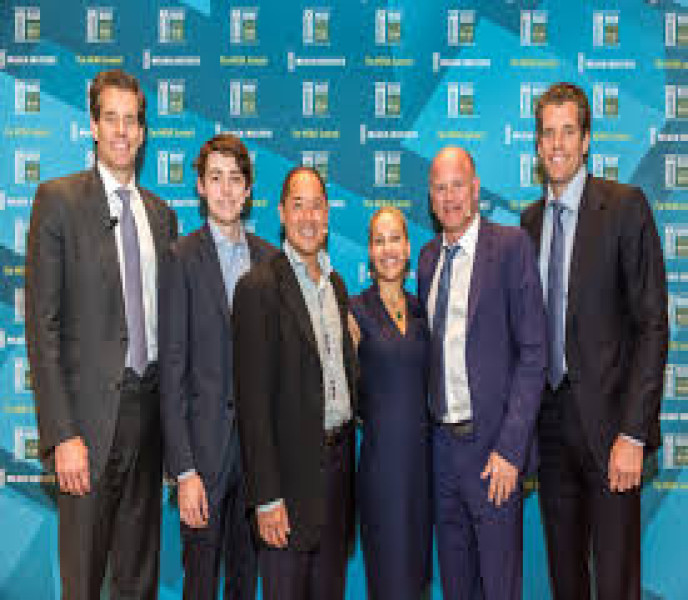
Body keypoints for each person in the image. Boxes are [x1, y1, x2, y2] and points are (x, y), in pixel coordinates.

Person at [25, 68, 178, 599]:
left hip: (148, 424)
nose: (121, 131)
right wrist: (62, 435)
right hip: (85, 432)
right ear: (92, 126)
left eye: (131, 120)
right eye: (110, 118)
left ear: (143, 131)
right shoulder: (58, 201)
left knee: (138, 583)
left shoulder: (162, 216)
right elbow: (42, 328)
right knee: (83, 582)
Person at [520, 82, 669, 600]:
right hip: (550, 432)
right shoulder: (528, 223)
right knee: (566, 581)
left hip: (611, 435)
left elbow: (652, 325)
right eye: (548, 133)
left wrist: (633, 433)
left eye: (568, 132)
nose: (557, 144)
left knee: (616, 582)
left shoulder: (625, 207)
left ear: (586, 141)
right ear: (537, 144)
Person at [417, 146, 547, 599]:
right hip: (441, 452)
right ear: (430, 198)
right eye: (440, 188)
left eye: (458, 185)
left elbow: (534, 353)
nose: (450, 197)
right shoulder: (428, 258)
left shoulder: (511, 247)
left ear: (475, 189)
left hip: (493, 453)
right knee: (456, 586)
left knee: (499, 586)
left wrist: (511, 450)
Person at [232, 166, 357, 600]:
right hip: (286, 489)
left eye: (317, 206)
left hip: (337, 476)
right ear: (282, 213)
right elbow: (252, 406)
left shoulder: (336, 287)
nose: (308, 217)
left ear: (328, 215)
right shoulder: (258, 288)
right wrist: (266, 498)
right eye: (298, 205)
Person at [159, 134, 275, 599]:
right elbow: (171, 372)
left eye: (235, 179)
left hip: (256, 462)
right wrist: (184, 471)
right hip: (203, 462)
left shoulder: (270, 261)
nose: (226, 190)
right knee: (200, 585)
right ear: (201, 187)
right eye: (216, 178)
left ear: (248, 189)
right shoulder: (180, 258)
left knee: (245, 583)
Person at [349, 207, 432, 600]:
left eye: (395, 239)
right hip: (381, 470)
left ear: (408, 246)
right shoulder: (354, 311)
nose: (388, 249)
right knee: (388, 581)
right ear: (369, 251)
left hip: (423, 469)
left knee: (417, 579)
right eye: (379, 241)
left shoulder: (423, 309)